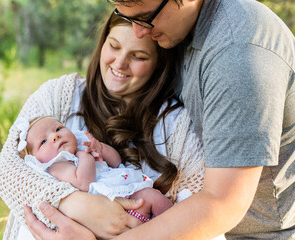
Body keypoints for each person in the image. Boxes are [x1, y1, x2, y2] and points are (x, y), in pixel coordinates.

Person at [83, 0, 295, 239]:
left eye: (145, 17)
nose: (139, 31)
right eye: (126, 16)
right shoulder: (177, 29)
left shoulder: (237, 53)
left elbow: (222, 203)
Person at [0, 12, 205, 240]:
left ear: (160, 64)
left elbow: (198, 216)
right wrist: (77, 205)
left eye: (139, 56)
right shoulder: (59, 95)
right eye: (114, 46)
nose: (120, 63)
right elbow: (8, 171)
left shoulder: (178, 125)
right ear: (102, 42)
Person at [15, 115, 173, 223]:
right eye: (43, 142)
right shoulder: (57, 166)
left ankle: (176, 221)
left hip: (127, 191)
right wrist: (85, 156)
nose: (54, 137)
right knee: (150, 200)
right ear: (36, 160)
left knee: (154, 198)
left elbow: (116, 162)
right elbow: (84, 182)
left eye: (58, 129)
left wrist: (101, 149)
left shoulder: (82, 143)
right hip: (112, 207)